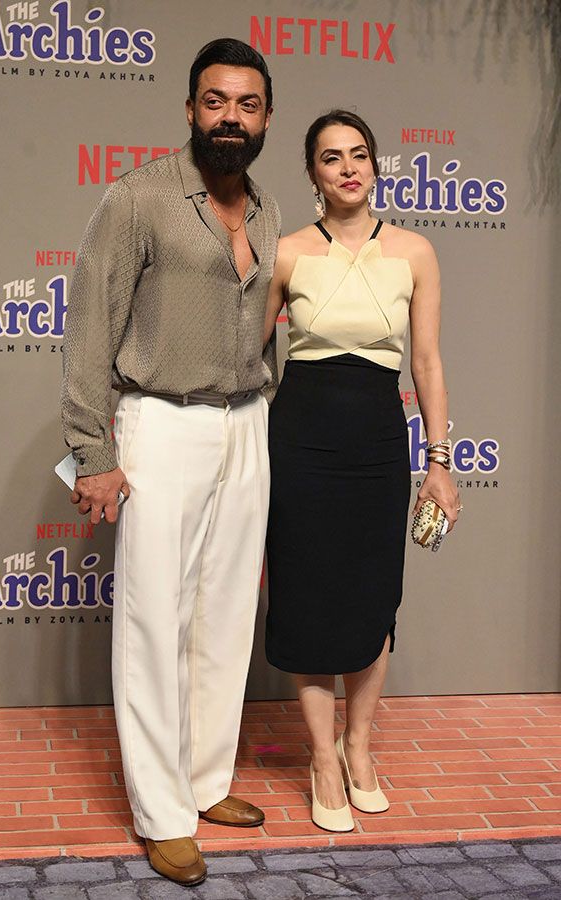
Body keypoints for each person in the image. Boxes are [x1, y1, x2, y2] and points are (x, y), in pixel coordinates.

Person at [61, 38, 280, 885]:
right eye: (216, 101)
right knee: (156, 620)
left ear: (266, 116)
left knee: (224, 614)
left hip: (245, 421)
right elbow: (89, 331)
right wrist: (92, 450)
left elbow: (267, 324)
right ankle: (160, 812)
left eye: (248, 104)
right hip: (160, 421)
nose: (232, 117)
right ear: (190, 109)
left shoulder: (263, 207)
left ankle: (204, 781)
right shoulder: (139, 198)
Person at [263, 110, 460, 832]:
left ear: (375, 164)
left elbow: (428, 362)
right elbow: (249, 355)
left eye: (358, 155)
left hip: (379, 438)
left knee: (374, 599)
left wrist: (437, 461)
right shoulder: (285, 252)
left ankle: (360, 745)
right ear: (311, 172)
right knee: (309, 596)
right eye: (330, 157)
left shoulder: (415, 251)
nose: (347, 167)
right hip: (301, 438)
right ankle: (321, 757)